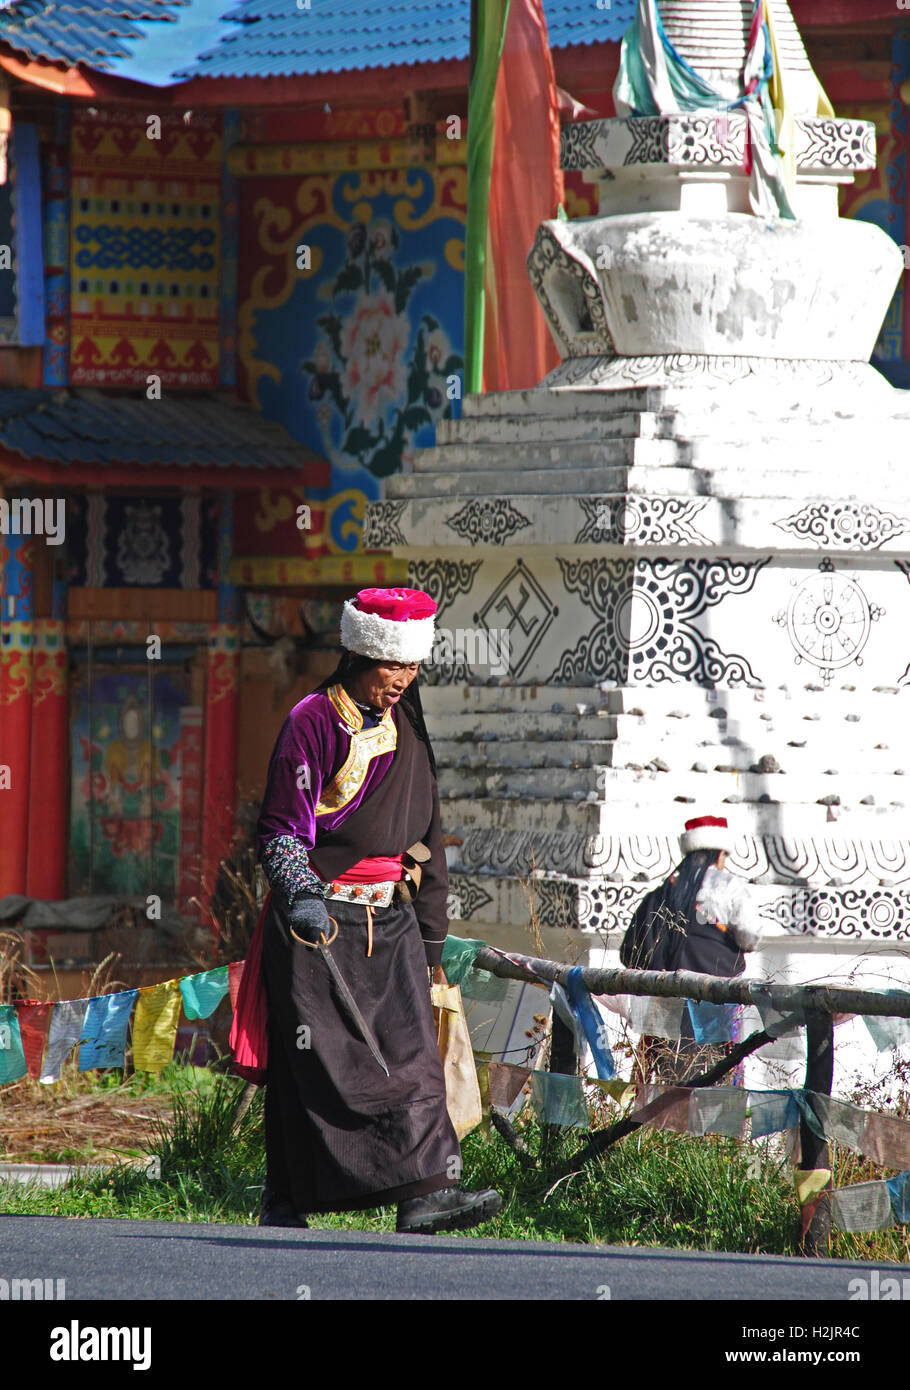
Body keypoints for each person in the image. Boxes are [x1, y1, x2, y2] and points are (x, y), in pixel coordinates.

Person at [250, 586, 501, 1234]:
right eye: (395, 668)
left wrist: (431, 938)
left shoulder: (408, 728)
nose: (404, 681)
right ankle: (285, 1200)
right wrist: (300, 894)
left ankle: (426, 1193)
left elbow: (429, 840)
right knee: (314, 1067)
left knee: (414, 1062)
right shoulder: (313, 720)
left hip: (389, 923)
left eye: (413, 669)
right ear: (362, 654)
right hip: (318, 927)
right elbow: (281, 828)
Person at [620, 814, 762, 1080]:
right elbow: (749, 937)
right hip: (714, 1004)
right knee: (713, 1075)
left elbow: (633, 951)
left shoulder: (663, 891)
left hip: (664, 1005)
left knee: (667, 1078)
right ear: (719, 853)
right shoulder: (729, 886)